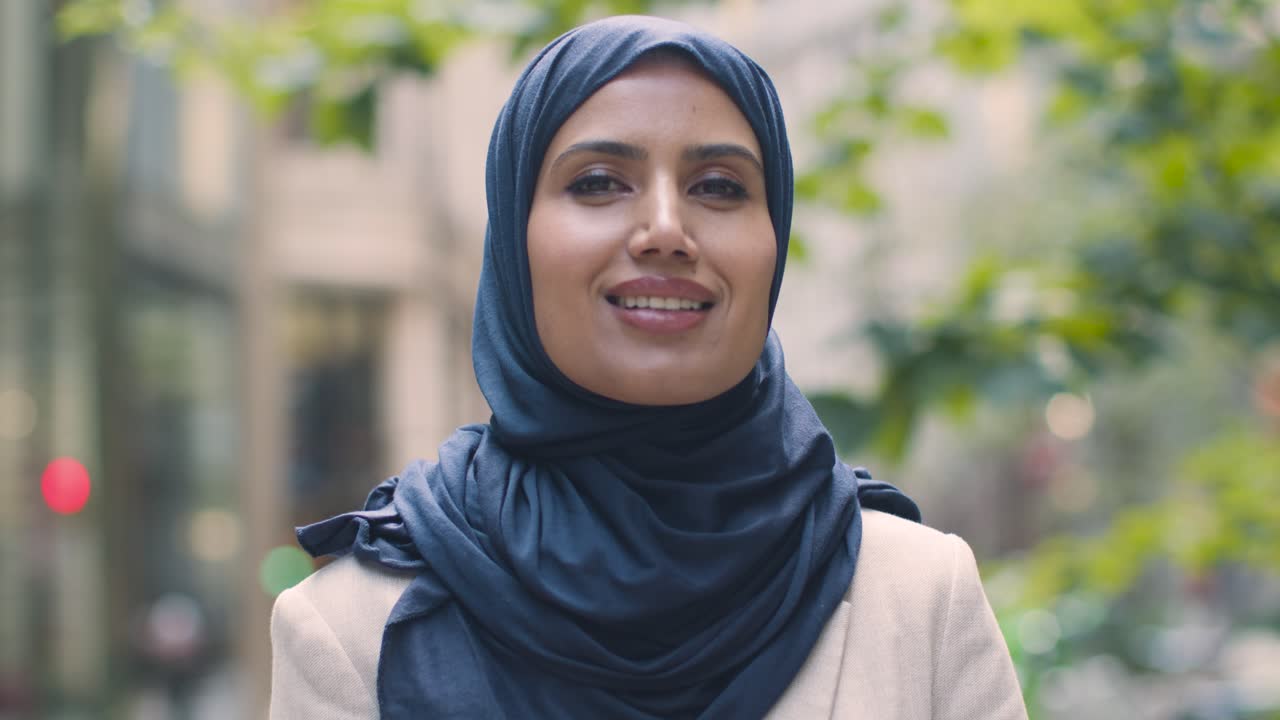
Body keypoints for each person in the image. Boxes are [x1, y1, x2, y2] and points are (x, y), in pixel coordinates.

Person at [269, 15, 1027, 720]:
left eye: (719, 187)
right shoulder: (347, 629)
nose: (666, 229)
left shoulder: (921, 597)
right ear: (514, 242)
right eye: (598, 182)